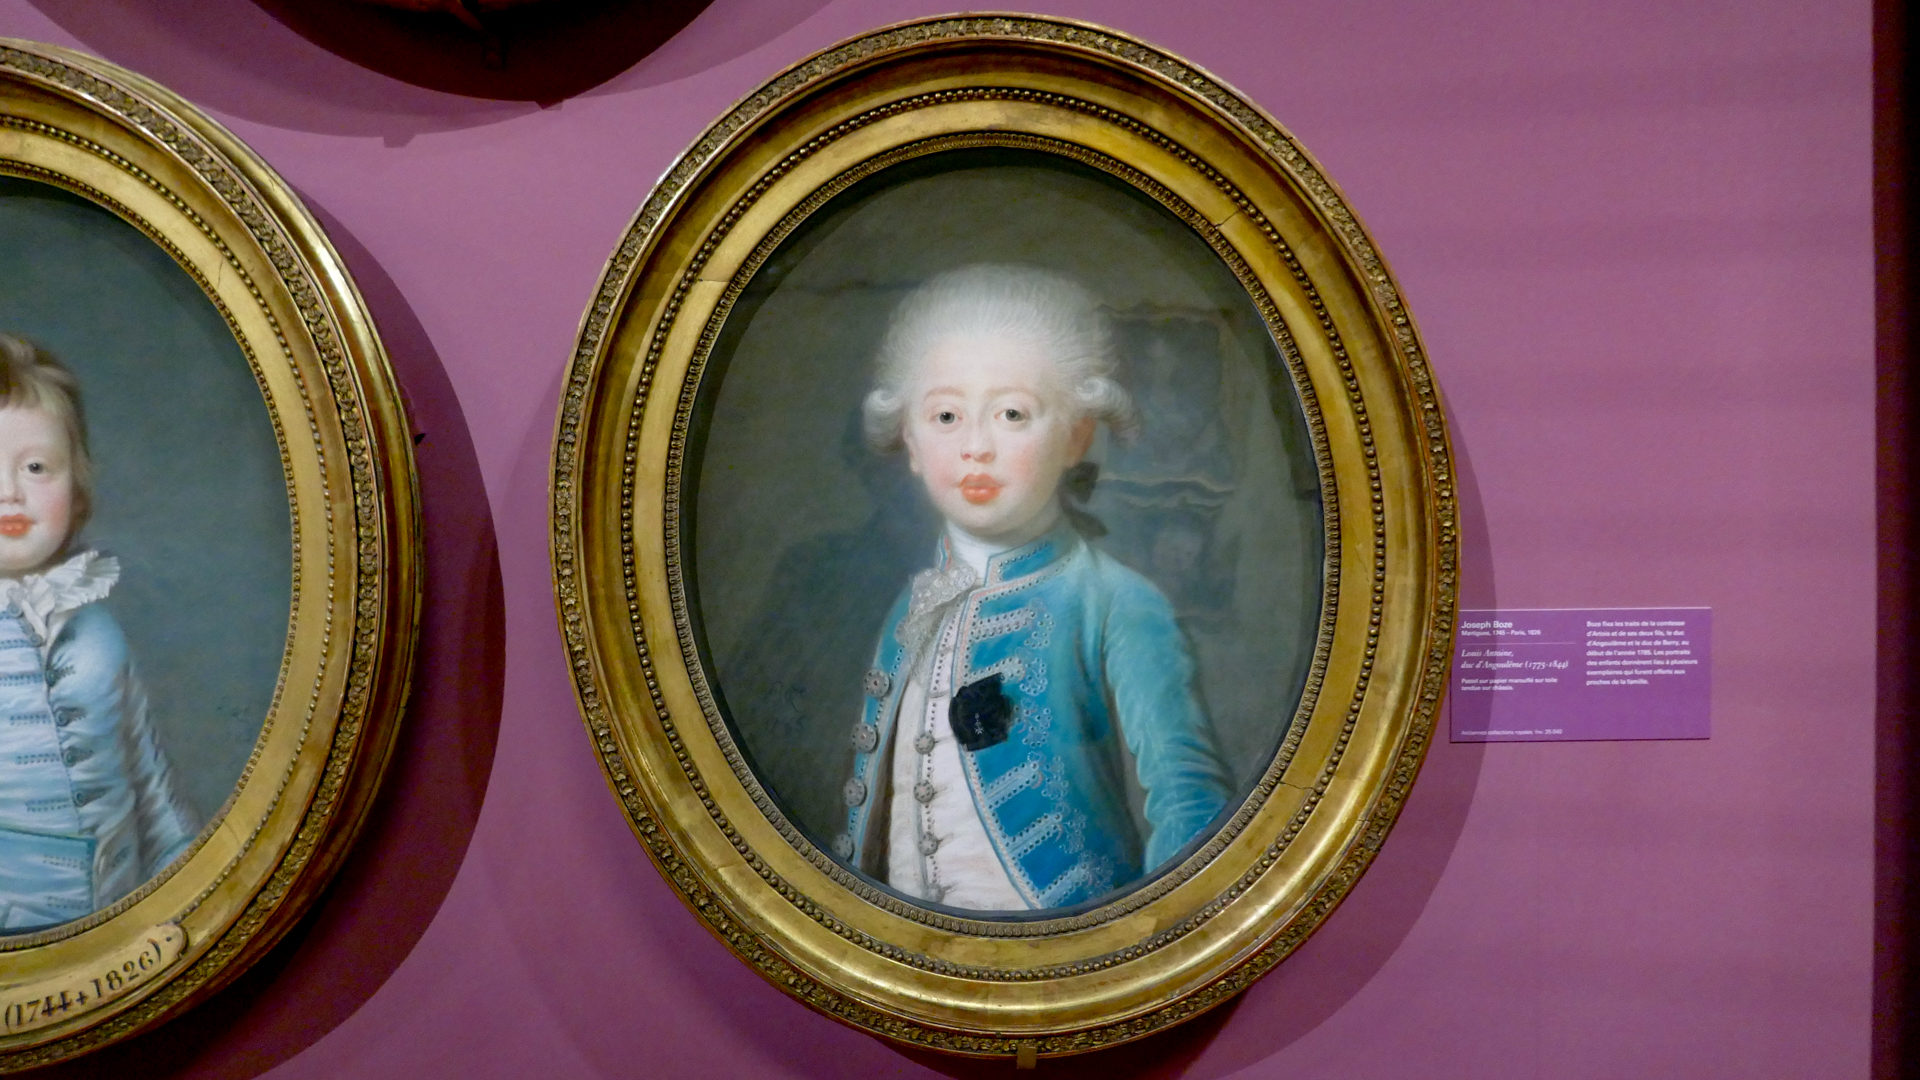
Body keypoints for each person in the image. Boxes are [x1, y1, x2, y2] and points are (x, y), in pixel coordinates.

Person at [834, 265, 1232, 912]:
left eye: (1012, 414)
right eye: (946, 415)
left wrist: (1135, 947)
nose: (976, 447)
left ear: (1076, 436)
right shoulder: (915, 604)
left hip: (1063, 947)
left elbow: (1189, 803)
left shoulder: (1117, 602)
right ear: (910, 441)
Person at [0, 333, 196, 932]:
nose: (10, 492)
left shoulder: (96, 630)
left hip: (116, 930)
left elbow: (151, 792)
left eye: (37, 468)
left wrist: (190, 897)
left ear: (77, 485)